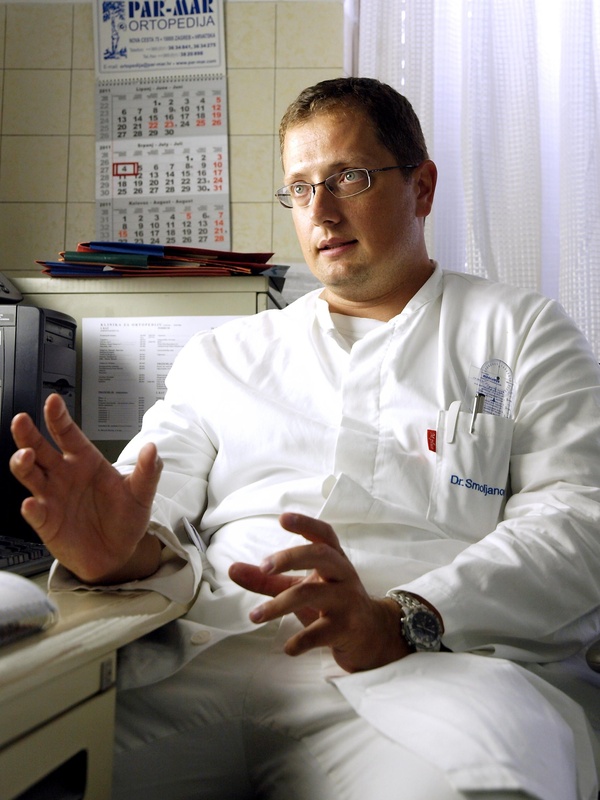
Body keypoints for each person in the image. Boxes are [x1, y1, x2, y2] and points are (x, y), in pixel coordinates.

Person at [9, 77, 600, 800]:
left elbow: (579, 518)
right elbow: (147, 504)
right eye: (299, 187)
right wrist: (118, 552)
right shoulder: (225, 356)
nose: (320, 210)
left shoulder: (521, 331)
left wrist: (404, 616)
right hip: (208, 656)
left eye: (348, 178)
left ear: (421, 187)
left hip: (431, 670)